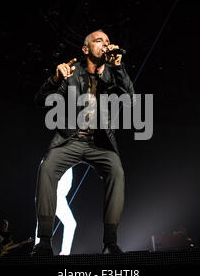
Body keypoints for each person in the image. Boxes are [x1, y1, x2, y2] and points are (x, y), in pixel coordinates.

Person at [32, 30, 134, 256]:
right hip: (71, 140)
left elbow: (130, 99)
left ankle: (110, 243)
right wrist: (55, 78)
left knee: (116, 171)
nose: (106, 44)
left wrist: (118, 66)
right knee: (47, 167)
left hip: (100, 144)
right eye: (99, 41)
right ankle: (45, 241)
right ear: (86, 49)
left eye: (108, 41)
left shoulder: (112, 73)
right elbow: (40, 100)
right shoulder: (71, 72)